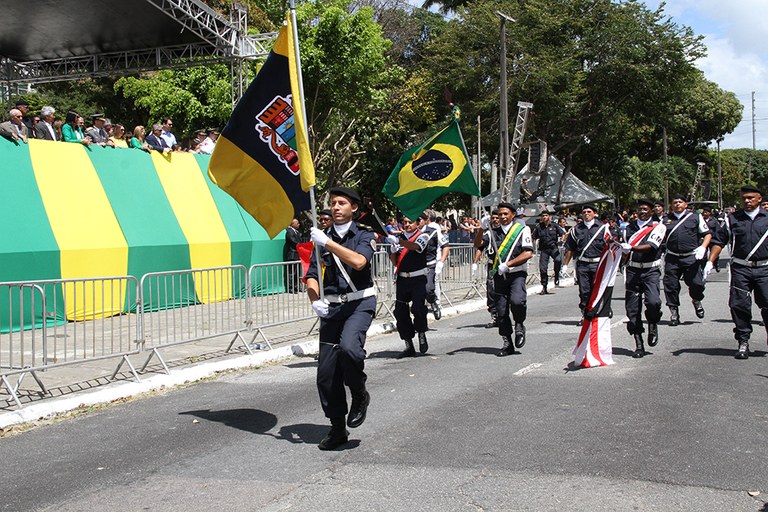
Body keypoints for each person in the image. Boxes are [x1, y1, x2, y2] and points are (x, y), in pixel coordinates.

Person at [306, 187, 376, 450]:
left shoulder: (364, 234)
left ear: (353, 208)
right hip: (332, 309)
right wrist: (315, 301)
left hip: (359, 303)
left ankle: (359, 393)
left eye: (341, 203)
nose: (335, 207)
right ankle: (337, 428)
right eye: (333, 203)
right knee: (326, 373)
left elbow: (359, 262)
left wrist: (328, 243)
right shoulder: (321, 239)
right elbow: (312, 274)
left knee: (350, 350)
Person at [709, 186, 768, 359]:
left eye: (751, 197)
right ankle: (743, 341)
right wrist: (709, 262)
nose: (747, 201)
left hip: (765, 268)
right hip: (741, 268)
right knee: (739, 305)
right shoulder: (731, 219)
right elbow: (719, 241)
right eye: (744, 198)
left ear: (759, 199)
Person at [621, 199, 667, 358]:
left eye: (645, 209)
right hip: (633, 270)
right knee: (632, 310)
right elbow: (620, 247)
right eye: (639, 209)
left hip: (650, 270)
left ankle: (653, 323)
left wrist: (631, 247)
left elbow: (652, 246)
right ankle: (638, 344)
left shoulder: (658, 227)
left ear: (651, 211)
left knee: (653, 302)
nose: (642, 212)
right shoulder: (628, 228)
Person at [490, 202, 534, 356]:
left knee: (517, 301)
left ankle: (520, 324)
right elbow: (478, 245)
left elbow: (528, 253)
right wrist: (481, 229)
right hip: (499, 276)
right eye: (500, 214)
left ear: (512, 215)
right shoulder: (493, 232)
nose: (502, 217)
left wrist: (508, 264)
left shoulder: (522, 230)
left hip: (516, 273)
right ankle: (507, 342)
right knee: (501, 311)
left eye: (505, 214)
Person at [662, 195, 711, 326]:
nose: (677, 204)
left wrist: (703, 247)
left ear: (685, 204)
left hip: (691, 257)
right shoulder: (665, 220)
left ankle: (696, 299)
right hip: (672, 257)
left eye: (680, 202)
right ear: (671, 205)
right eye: (675, 202)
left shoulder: (695, 217)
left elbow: (707, 234)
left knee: (697, 284)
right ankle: (674, 312)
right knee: (670, 286)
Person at [387, 215, 431, 358]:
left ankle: (421, 332)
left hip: (418, 279)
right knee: (400, 312)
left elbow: (416, 247)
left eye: (410, 222)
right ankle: (408, 344)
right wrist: (394, 249)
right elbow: (394, 261)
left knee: (418, 309)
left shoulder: (423, 236)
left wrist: (399, 241)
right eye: (404, 222)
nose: (407, 225)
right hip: (402, 279)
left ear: (417, 223)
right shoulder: (399, 239)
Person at [563, 204, 610, 323]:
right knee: (584, 291)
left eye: (589, 211)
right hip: (582, 265)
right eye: (584, 212)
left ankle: (600, 310)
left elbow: (610, 246)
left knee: (598, 289)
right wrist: (565, 265)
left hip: (598, 264)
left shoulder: (603, 228)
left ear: (595, 213)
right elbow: (570, 248)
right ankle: (585, 314)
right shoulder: (576, 229)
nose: (586, 214)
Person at [419, 210, 449, 320]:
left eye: (421, 219)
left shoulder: (433, 231)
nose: (418, 221)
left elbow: (445, 245)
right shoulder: (411, 233)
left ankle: (433, 301)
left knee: (428, 288)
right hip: (415, 267)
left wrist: (441, 261)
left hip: (429, 265)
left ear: (426, 220)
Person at [473, 210, 500, 327]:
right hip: (492, 267)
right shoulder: (489, 234)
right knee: (491, 291)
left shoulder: (509, 232)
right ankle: (494, 316)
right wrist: (481, 228)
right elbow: (479, 245)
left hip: (507, 266)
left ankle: (504, 314)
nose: (495, 220)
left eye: (497, 217)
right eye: (493, 218)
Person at [532, 210, 565, 294]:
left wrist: (561, 240)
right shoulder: (539, 227)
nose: (544, 217)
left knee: (558, 260)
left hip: (553, 248)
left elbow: (563, 234)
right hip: (544, 250)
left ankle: (556, 275)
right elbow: (533, 237)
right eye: (543, 216)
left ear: (549, 216)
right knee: (543, 269)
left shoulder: (554, 225)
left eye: (546, 215)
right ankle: (544, 287)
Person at [283, 217, 302, 293]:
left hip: (297, 255)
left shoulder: (296, 232)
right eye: (297, 223)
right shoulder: (290, 232)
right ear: (292, 224)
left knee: (297, 272)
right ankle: (291, 287)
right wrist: (301, 246)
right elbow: (293, 241)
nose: (299, 224)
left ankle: (296, 286)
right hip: (292, 255)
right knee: (292, 272)